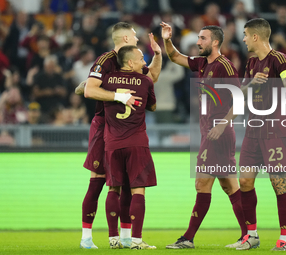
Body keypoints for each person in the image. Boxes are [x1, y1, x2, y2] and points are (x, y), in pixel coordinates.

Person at [160, 22, 247, 249]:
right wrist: (168, 39)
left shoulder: (224, 66)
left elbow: (239, 101)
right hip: (211, 133)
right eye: (198, 38)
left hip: (218, 134)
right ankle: (249, 235)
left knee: (202, 184)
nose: (198, 42)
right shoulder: (201, 63)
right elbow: (175, 57)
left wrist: (221, 125)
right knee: (230, 187)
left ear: (215, 42)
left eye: (203, 39)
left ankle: (188, 238)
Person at [78, 22, 161, 249]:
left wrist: (158, 54)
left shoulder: (132, 61)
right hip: (104, 125)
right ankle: (86, 237)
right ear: (125, 39)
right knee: (97, 182)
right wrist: (118, 96)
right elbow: (88, 91)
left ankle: (123, 237)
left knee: (124, 183)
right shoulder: (105, 60)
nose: (137, 38)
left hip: (121, 129)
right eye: (134, 36)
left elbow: (151, 76)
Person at [235, 18, 286, 251]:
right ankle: (251, 236)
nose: (242, 39)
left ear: (255, 36)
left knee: (278, 183)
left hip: (275, 130)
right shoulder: (251, 62)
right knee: (244, 181)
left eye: (245, 34)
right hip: (253, 129)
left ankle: (285, 239)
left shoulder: (278, 59)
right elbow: (241, 93)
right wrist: (251, 84)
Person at [102, 45, 157, 249]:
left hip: (112, 143)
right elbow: (152, 106)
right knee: (138, 191)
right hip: (136, 142)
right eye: (142, 58)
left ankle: (113, 238)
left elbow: (88, 90)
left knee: (113, 189)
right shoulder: (145, 81)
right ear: (130, 62)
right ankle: (136, 240)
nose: (144, 63)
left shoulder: (106, 80)